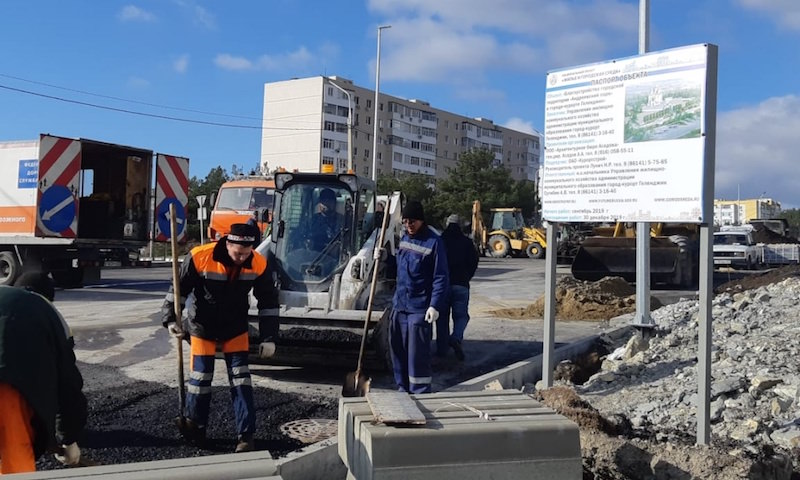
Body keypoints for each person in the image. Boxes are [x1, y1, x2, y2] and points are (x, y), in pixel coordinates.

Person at [160, 223, 280, 453]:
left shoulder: (258, 262)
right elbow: (178, 290)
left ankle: (246, 436)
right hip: (202, 326)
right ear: (227, 243)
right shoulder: (200, 257)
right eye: (238, 253)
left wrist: (269, 337)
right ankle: (197, 428)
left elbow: (269, 302)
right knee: (200, 380)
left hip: (235, 327)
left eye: (247, 253)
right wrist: (171, 320)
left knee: (241, 380)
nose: (242, 257)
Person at [0, 272, 87, 474]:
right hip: (6, 394)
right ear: (49, 296)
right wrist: (69, 439)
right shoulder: (47, 311)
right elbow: (68, 384)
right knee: (13, 457)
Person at [389, 200, 449, 393]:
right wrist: (384, 258)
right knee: (397, 350)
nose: (409, 225)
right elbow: (398, 267)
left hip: (419, 308)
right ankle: (402, 389)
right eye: (405, 221)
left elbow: (440, 277)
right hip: (399, 306)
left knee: (417, 356)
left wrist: (434, 305)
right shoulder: (405, 238)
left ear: (421, 220)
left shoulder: (434, 242)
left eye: (412, 221)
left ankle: (420, 392)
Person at [440, 214, 480, 361]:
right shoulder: (467, 242)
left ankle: (441, 348)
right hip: (461, 284)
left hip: (442, 285)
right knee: (461, 316)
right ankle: (456, 337)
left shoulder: (440, 241)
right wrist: (467, 276)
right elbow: (474, 261)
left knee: (442, 318)